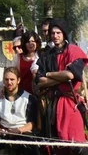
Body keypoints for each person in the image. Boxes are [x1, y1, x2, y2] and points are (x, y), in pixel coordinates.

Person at [35, 19, 88, 155]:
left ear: (63, 34)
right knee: (57, 146)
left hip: (71, 103)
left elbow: (71, 75)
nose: (55, 36)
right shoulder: (47, 56)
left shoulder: (74, 50)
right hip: (53, 104)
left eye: (58, 32)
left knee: (77, 145)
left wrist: (49, 74)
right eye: (52, 33)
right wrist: (60, 77)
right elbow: (40, 81)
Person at [0, 67, 39, 155]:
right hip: (3, 133)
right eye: (6, 79)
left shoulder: (29, 98)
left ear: (18, 80)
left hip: (23, 133)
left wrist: (19, 130)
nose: (9, 82)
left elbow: (32, 123)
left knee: (32, 147)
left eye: (12, 79)